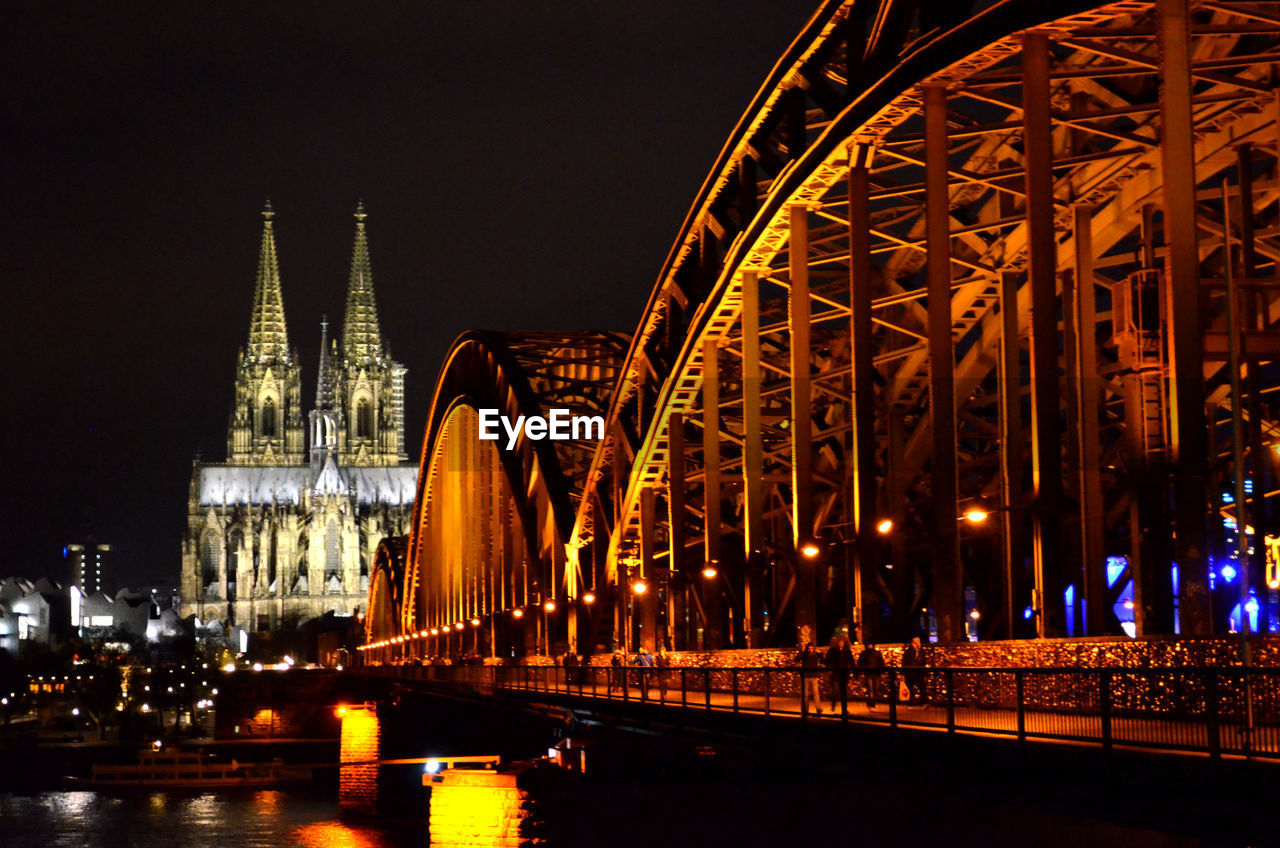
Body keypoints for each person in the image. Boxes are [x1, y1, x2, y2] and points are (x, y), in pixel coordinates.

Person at [824, 635, 855, 716]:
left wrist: (854, 671)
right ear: (837, 642)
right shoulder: (833, 650)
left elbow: (851, 661)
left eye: (842, 642)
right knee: (836, 691)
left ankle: (844, 709)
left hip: (844, 674)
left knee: (844, 692)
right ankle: (833, 704)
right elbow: (827, 660)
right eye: (840, 642)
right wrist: (830, 668)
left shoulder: (847, 650)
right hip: (835, 673)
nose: (841, 643)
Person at [794, 643, 823, 716]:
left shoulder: (816, 654)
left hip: (813, 676)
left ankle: (818, 709)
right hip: (806, 676)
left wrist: (820, 654)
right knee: (806, 694)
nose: (810, 650)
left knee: (815, 693)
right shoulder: (804, 654)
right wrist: (802, 651)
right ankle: (806, 710)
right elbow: (797, 659)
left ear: (813, 648)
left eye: (811, 648)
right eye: (809, 649)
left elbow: (823, 660)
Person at [857, 642, 886, 709]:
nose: (870, 645)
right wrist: (861, 672)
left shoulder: (877, 653)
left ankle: (870, 702)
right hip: (868, 673)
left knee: (875, 689)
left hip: (876, 673)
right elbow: (860, 663)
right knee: (871, 690)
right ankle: (872, 704)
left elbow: (881, 663)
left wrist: (883, 672)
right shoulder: (864, 653)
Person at [902, 636, 927, 705]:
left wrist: (925, 674)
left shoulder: (921, 652)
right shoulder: (908, 652)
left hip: (919, 673)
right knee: (910, 688)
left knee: (922, 687)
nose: (914, 645)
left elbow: (924, 663)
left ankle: (922, 702)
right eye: (913, 643)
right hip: (910, 673)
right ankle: (911, 702)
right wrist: (903, 674)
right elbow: (904, 662)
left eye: (916, 643)